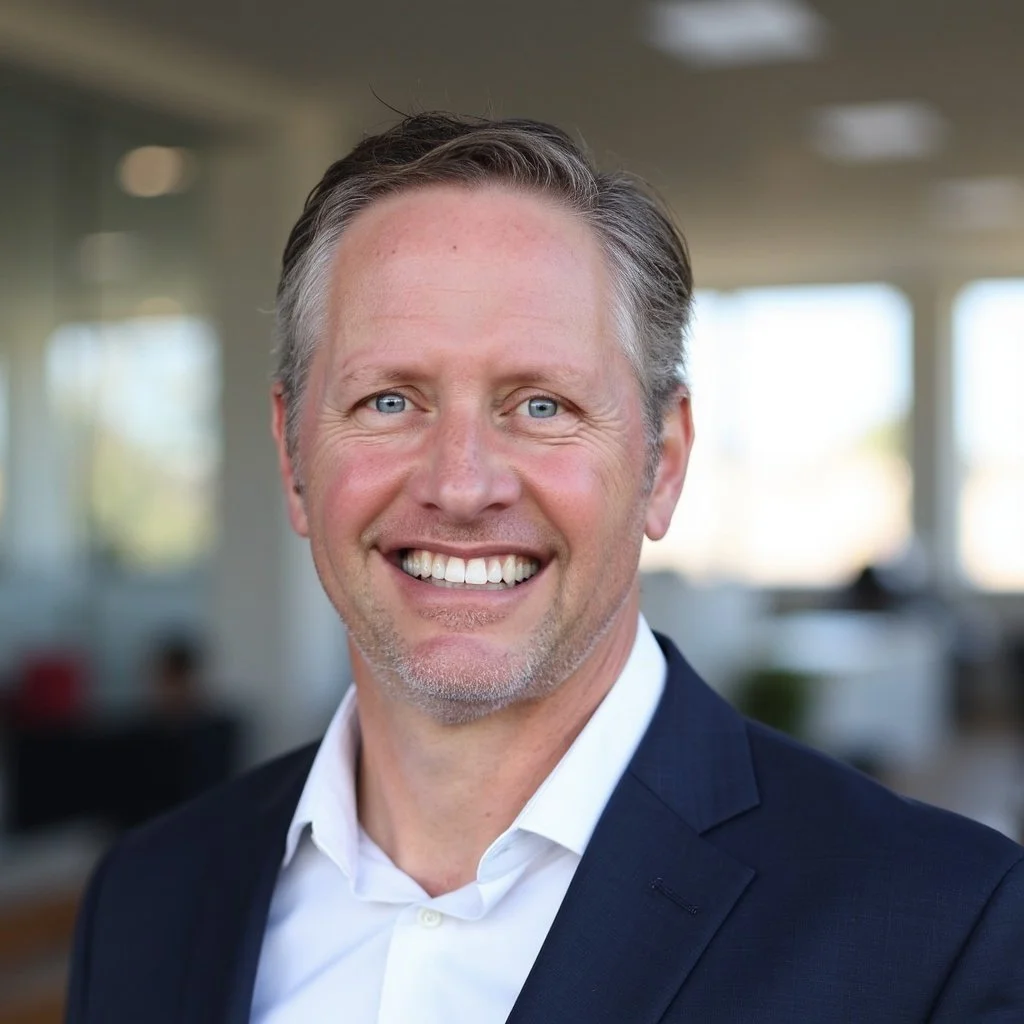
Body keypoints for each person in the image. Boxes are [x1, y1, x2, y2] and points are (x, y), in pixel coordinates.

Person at [66, 112, 1023, 1023]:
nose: (462, 483)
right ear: (291, 457)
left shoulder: (937, 931)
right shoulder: (148, 896)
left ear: (664, 461)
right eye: (391, 401)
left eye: (542, 406)